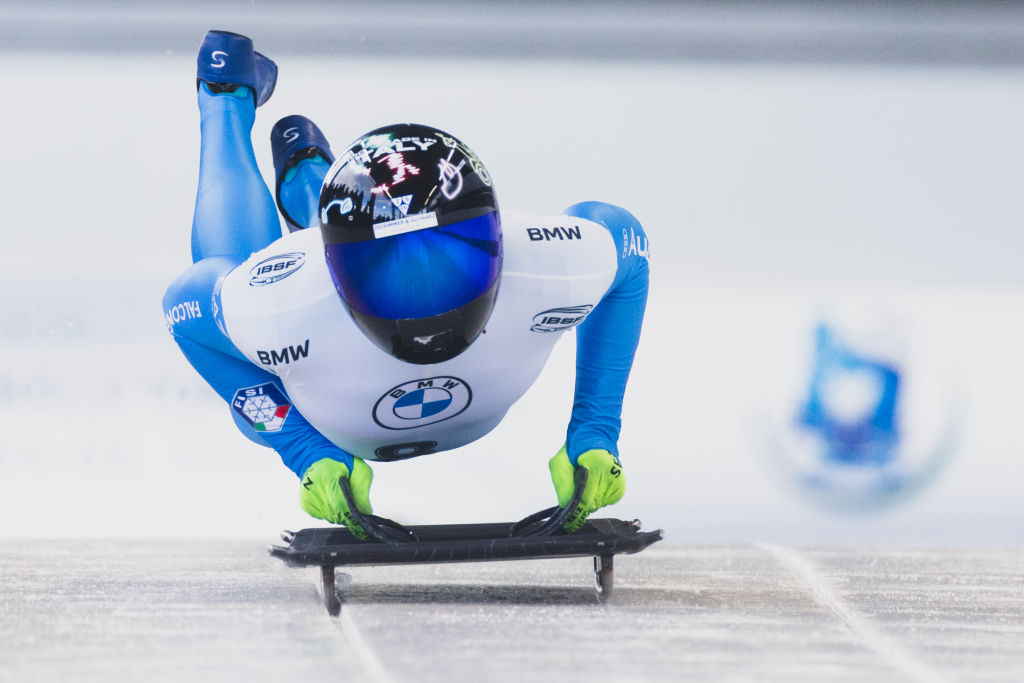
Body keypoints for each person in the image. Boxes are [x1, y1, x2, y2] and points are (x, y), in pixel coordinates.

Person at [164, 30, 651, 538]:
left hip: (336, 395)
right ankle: (227, 100)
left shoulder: (547, 260)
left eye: (454, 256)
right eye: (388, 277)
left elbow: (630, 245)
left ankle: (306, 177)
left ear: (501, 237)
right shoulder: (277, 301)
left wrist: (597, 431)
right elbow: (184, 307)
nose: (426, 305)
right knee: (231, 268)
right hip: (328, 377)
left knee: (264, 300)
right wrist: (301, 447)